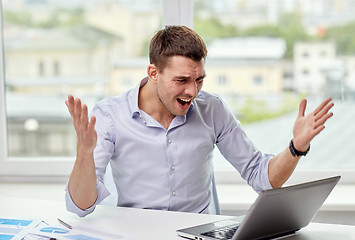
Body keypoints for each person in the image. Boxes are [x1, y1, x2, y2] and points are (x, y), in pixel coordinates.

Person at [64, 25, 334, 217]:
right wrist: (84, 152)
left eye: (199, 79)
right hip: (137, 233)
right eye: (181, 80)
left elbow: (262, 176)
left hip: (199, 234)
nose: (193, 91)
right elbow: (80, 207)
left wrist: (296, 147)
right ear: (153, 72)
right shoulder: (110, 116)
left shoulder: (212, 109)